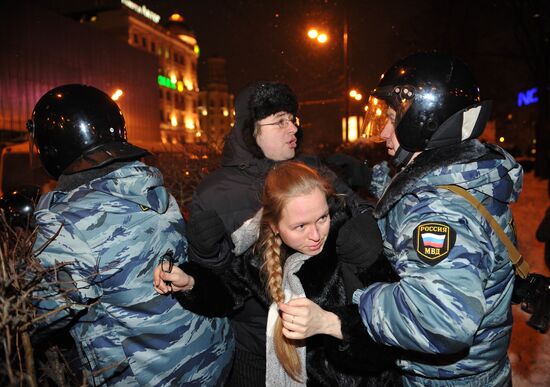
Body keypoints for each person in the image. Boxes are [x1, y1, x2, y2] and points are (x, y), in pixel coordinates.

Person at [29, 84, 233, 386]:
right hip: (210, 355)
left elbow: (35, 316)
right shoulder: (150, 187)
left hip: (153, 378)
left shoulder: (66, 223)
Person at [351, 52, 523, 386]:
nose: (382, 131)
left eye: (390, 117)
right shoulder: (463, 174)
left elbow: (439, 321)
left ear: (423, 117)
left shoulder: (440, 210)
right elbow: (416, 186)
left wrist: (354, 305)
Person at [183, 80, 373, 384]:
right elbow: (222, 285)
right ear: (251, 130)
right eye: (280, 121)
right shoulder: (215, 192)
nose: (293, 128)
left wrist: (365, 218)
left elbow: (356, 220)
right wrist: (204, 254)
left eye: (293, 119)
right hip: (256, 349)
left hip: (325, 340)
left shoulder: (310, 171)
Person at [154, 161, 400, 386]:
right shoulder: (260, 255)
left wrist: (331, 323)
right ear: (274, 225)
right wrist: (189, 282)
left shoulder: (352, 243)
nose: (315, 235)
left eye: (322, 218)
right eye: (300, 226)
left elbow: (393, 326)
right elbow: (227, 293)